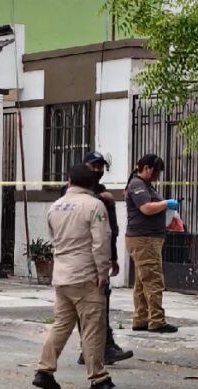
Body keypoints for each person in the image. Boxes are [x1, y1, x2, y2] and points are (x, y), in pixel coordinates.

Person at [32, 164, 123, 389]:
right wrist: (102, 272)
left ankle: (44, 370)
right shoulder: (94, 205)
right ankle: (98, 378)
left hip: (62, 276)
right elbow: (100, 242)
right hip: (86, 277)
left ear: (69, 181)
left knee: (61, 325)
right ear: (92, 183)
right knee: (93, 328)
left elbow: (54, 238)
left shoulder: (56, 206)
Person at [76, 151, 133, 366]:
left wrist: (114, 258)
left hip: (101, 258)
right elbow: (76, 204)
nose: (98, 170)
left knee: (101, 305)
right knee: (87, 308)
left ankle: (99, 348)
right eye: (94, 166)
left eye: (100, 167)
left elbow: (111, 231)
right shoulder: (75, 189)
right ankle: (96, 351)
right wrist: (102, 199)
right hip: (84, 259)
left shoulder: (102, 192)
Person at [125, 154, 179, 333]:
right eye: (156, 172)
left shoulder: (145, 185)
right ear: (147, 168)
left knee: (142, 280)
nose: (157, 176)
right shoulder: (137, 184)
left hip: (147, 237)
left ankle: (141, 318)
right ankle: (156, 320)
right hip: (144, 239)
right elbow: (146, 208)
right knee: (153, 279)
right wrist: (166, 204)